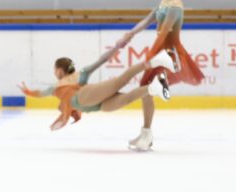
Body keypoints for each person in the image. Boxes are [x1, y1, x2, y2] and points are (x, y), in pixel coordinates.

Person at [119, 0, 205, 151]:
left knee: (147, 89)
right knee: (146, 90)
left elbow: (164, 33)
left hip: (168, 54)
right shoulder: (164, 2)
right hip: (159, 51)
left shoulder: (175, 6)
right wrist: (130, 34)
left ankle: (147, 134)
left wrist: (150, 57)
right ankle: (145, 133)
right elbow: (148, 20)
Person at [18, 45, 174, 132]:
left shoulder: (58, 85)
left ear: (59, 70)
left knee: (119, 82)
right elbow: (101, 60)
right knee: (127, 98)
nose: (54, 72)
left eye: (54, 69)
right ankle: (154, 87)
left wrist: (28, 92)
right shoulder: (83, 73)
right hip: (97, 105)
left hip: (84, 97)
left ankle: (158, 60)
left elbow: (41, 93)